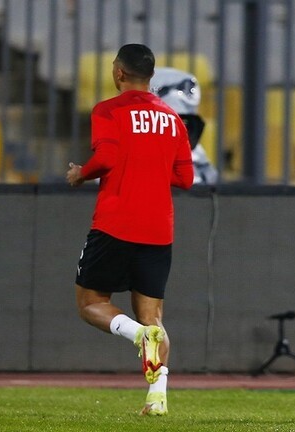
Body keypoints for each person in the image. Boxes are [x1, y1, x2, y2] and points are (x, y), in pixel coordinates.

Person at [66, 44, 194, 416]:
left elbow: (105, 157)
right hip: (158, 229)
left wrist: (81, 173)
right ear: (150, 75)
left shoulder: (108, 110)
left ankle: (136, 334)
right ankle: (157, 398)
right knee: (153, 316)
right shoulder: (172, 118)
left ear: (119, 72)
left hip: (116, 222)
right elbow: (185, 178)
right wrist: (151, 169)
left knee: (90, 303)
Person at [150, 66, 218, 185]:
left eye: (185, 123)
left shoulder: (199, 163)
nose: (178, 131)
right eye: (167, 123)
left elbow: (208, 180)